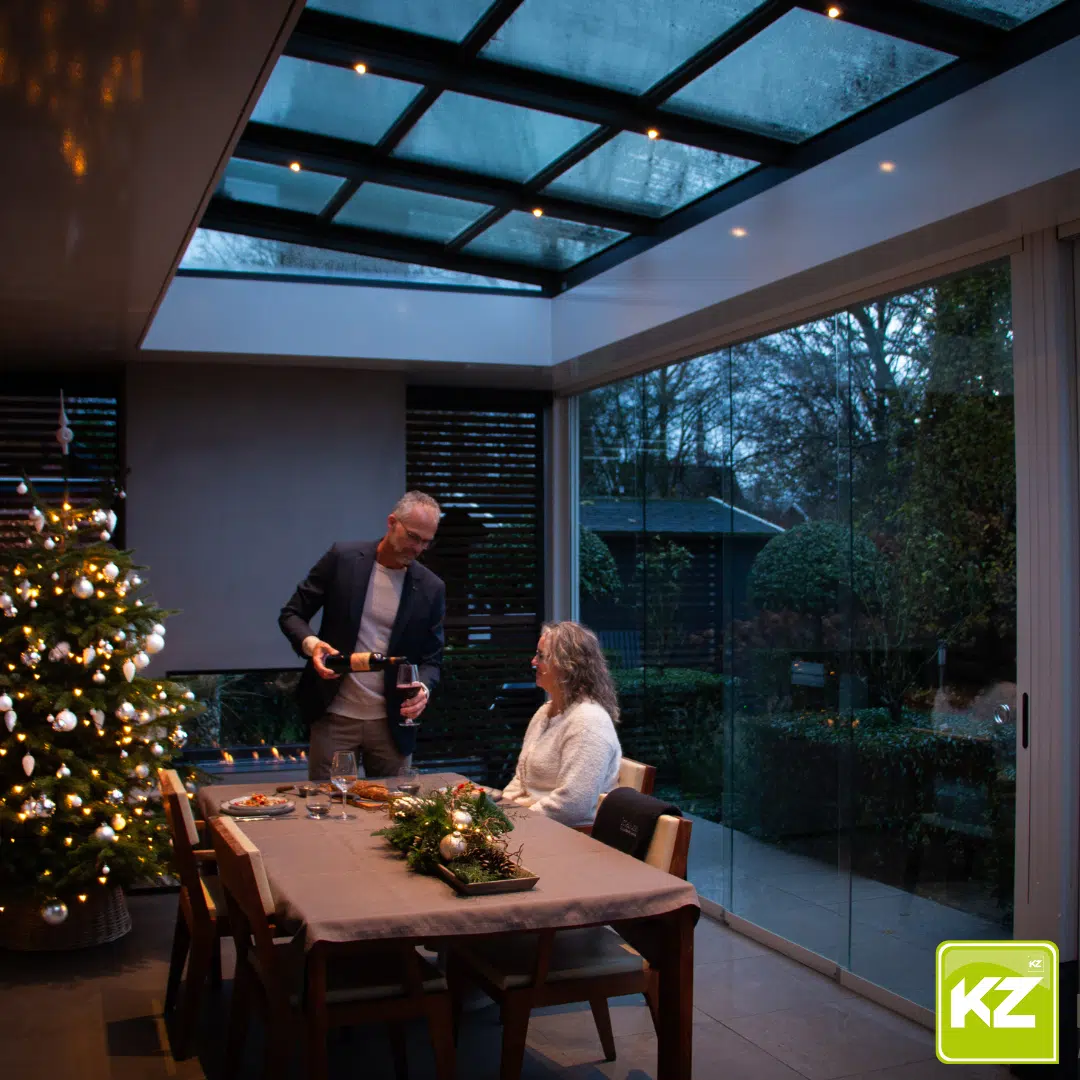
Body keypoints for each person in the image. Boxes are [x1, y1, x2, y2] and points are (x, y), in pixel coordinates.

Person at [279, 491, 445, 781]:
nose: (418, 548)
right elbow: (292, 614)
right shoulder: (343, 559)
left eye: (426, 542)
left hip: (393, 723)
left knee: (395, 806)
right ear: (391, 522)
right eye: (413, 537)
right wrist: (313, 645)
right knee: (329, 804)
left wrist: (424, 690)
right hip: (334, 715)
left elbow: (433, 659)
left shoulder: (431, 587)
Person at [499, 621, 621, 828]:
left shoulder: (589, 721)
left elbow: (572, 805)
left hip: (568, 833)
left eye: (541, 656)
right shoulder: (544, 712)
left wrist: (514, 824)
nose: (533, 662)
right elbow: (520, 781)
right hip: (533, 823)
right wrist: (501, 811)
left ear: (567, 666)